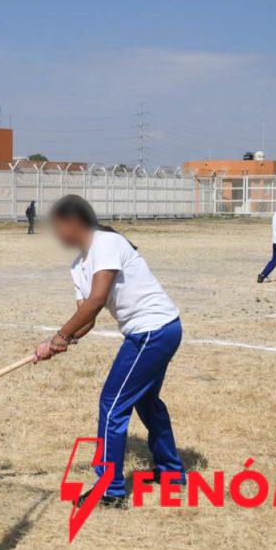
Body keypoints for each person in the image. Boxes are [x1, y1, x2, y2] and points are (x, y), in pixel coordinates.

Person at [34, 194, 183, 508]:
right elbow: (87, 318)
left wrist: (61, 335)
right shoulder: (78, 266)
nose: (56, 234)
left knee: (112, 405)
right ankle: (171, 472)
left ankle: (111, 490)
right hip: (156, 331)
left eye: (57, 226)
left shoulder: (106, 243)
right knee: (146, 402)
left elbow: (96, 301)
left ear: (73, 222)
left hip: (153, 330)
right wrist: (57, 343)